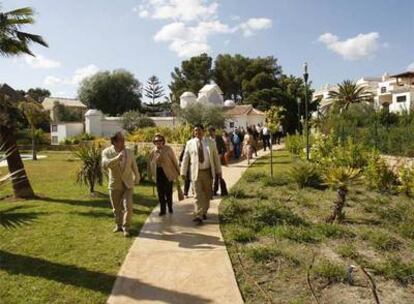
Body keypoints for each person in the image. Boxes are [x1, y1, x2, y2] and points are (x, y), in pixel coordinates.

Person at [180, 124, 222, 225]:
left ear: (203, 131)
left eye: (199, 130)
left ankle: (204, 211)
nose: (197, 132)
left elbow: (216, 158)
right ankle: (198, 215)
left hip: (207, 172)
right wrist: (183, 172)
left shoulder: (211, 143)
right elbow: (185, 159)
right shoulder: (189, 143)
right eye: (195, 131)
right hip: (196, 172)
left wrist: (218, 171)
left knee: (207, 194)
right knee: (197, 195)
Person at [102, 131, 140, 237]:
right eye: (120, 140)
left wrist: (137, 176)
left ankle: (126, 227)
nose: (123, 142)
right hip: (115, 184)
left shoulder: (130, 152)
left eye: (124, 140)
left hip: (128, 183)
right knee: (116, 208)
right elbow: (105, 164)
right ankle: (118, 225)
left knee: (128, 207)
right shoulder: (106, 152)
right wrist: (116, 158)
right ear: (114, 141)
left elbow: (134, 165)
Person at [148, 134, 180, 216]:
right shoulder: (152, 152)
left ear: (163, 141)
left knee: (168, 192)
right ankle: (163, 210)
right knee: (160, 193)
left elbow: (174, 160)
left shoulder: (168, 149)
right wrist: (150, 175)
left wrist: (178, 171)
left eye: (160, 140)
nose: (158, 142)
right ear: (154, 142)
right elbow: (149, 164)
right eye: (156, 141)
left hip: (168, 174)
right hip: (158, 174)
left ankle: (170, 207)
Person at [208, 127, 228, 196]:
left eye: (211, 131)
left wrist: (221, 155)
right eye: (209, 132)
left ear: (214, 132)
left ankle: (219, 190)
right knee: (212, 175)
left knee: (218, 174)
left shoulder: (219, 138)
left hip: (218, 158)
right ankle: (213, 190)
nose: (210, 133)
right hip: (211, 160)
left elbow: (224, 148)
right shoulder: (207, 140)